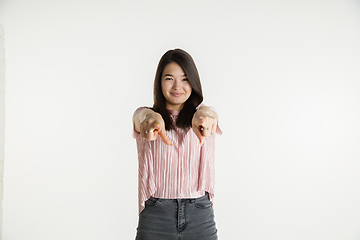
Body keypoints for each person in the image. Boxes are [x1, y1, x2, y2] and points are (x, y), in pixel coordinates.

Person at [132, 48, 222, 240]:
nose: (177, 86)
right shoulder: (146, 116)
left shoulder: (204, 116)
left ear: (193, 82)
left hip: (200, 214)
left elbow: (209, 115)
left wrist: (203, 115)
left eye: (184, 78)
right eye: (169, 78)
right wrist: (150, 118)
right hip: (156, 215)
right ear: (159, 82)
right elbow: (142, 118)